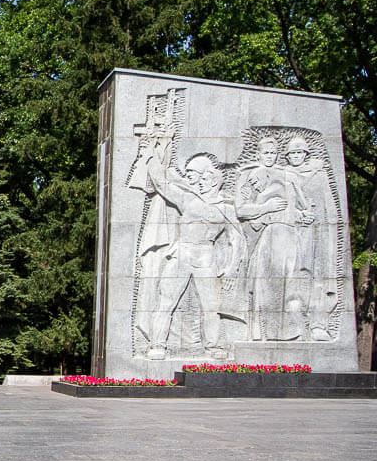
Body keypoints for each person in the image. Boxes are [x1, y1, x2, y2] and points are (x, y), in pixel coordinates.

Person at [142, 149, 245, 360]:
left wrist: (232, 268)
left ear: (216, 181)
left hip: (206, 257)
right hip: (182, 254)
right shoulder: (188, 199)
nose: (204, 183)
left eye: (208, 178)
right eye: (202, 178)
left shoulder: (226, 208)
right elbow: (162, 185)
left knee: (211, 307)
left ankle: (213, 347)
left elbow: (237, 239)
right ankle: (157, 345)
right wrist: (152, 156)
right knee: (166, 301)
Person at [235, 137, 312, 340]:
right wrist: (265, 208)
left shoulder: (288, 176)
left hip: (290, 236)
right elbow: (241, 209)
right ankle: (261, 334)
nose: (269, 156)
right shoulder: (248, 175)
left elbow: (302, 206)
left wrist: (304, 215)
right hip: (268, 235)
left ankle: (291, 333)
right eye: (266, 153)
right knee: (264, 286)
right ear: (258, 154)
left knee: (291, 286)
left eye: (273, 153)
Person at [284, 136, 337, 340]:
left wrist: (326, 228)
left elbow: (329, 206)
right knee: (295, 278)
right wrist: (298, 215)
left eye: (299, 153)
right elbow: (282, 204)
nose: (296, 156)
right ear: (287, 157)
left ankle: (318, 325)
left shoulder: (319, 174)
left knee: (319, 280)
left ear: (306, 155)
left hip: (317, 234)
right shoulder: (285, 174)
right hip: (292, 234)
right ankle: (294, 324)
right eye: (292, 153)